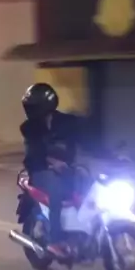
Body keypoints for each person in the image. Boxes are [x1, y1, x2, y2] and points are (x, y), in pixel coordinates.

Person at [20, 83, 81, 258]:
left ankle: (78, 229)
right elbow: (34, 152)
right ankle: (55, 240)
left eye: (33, 106)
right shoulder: (29, 128)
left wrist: (112, 155)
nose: (30, 111)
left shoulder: (66, 122)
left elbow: (87, 139)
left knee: (87, 185)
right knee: (55, 192)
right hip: (39, 170)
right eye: (28, 107)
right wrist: (52, 162)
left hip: (65, 168)